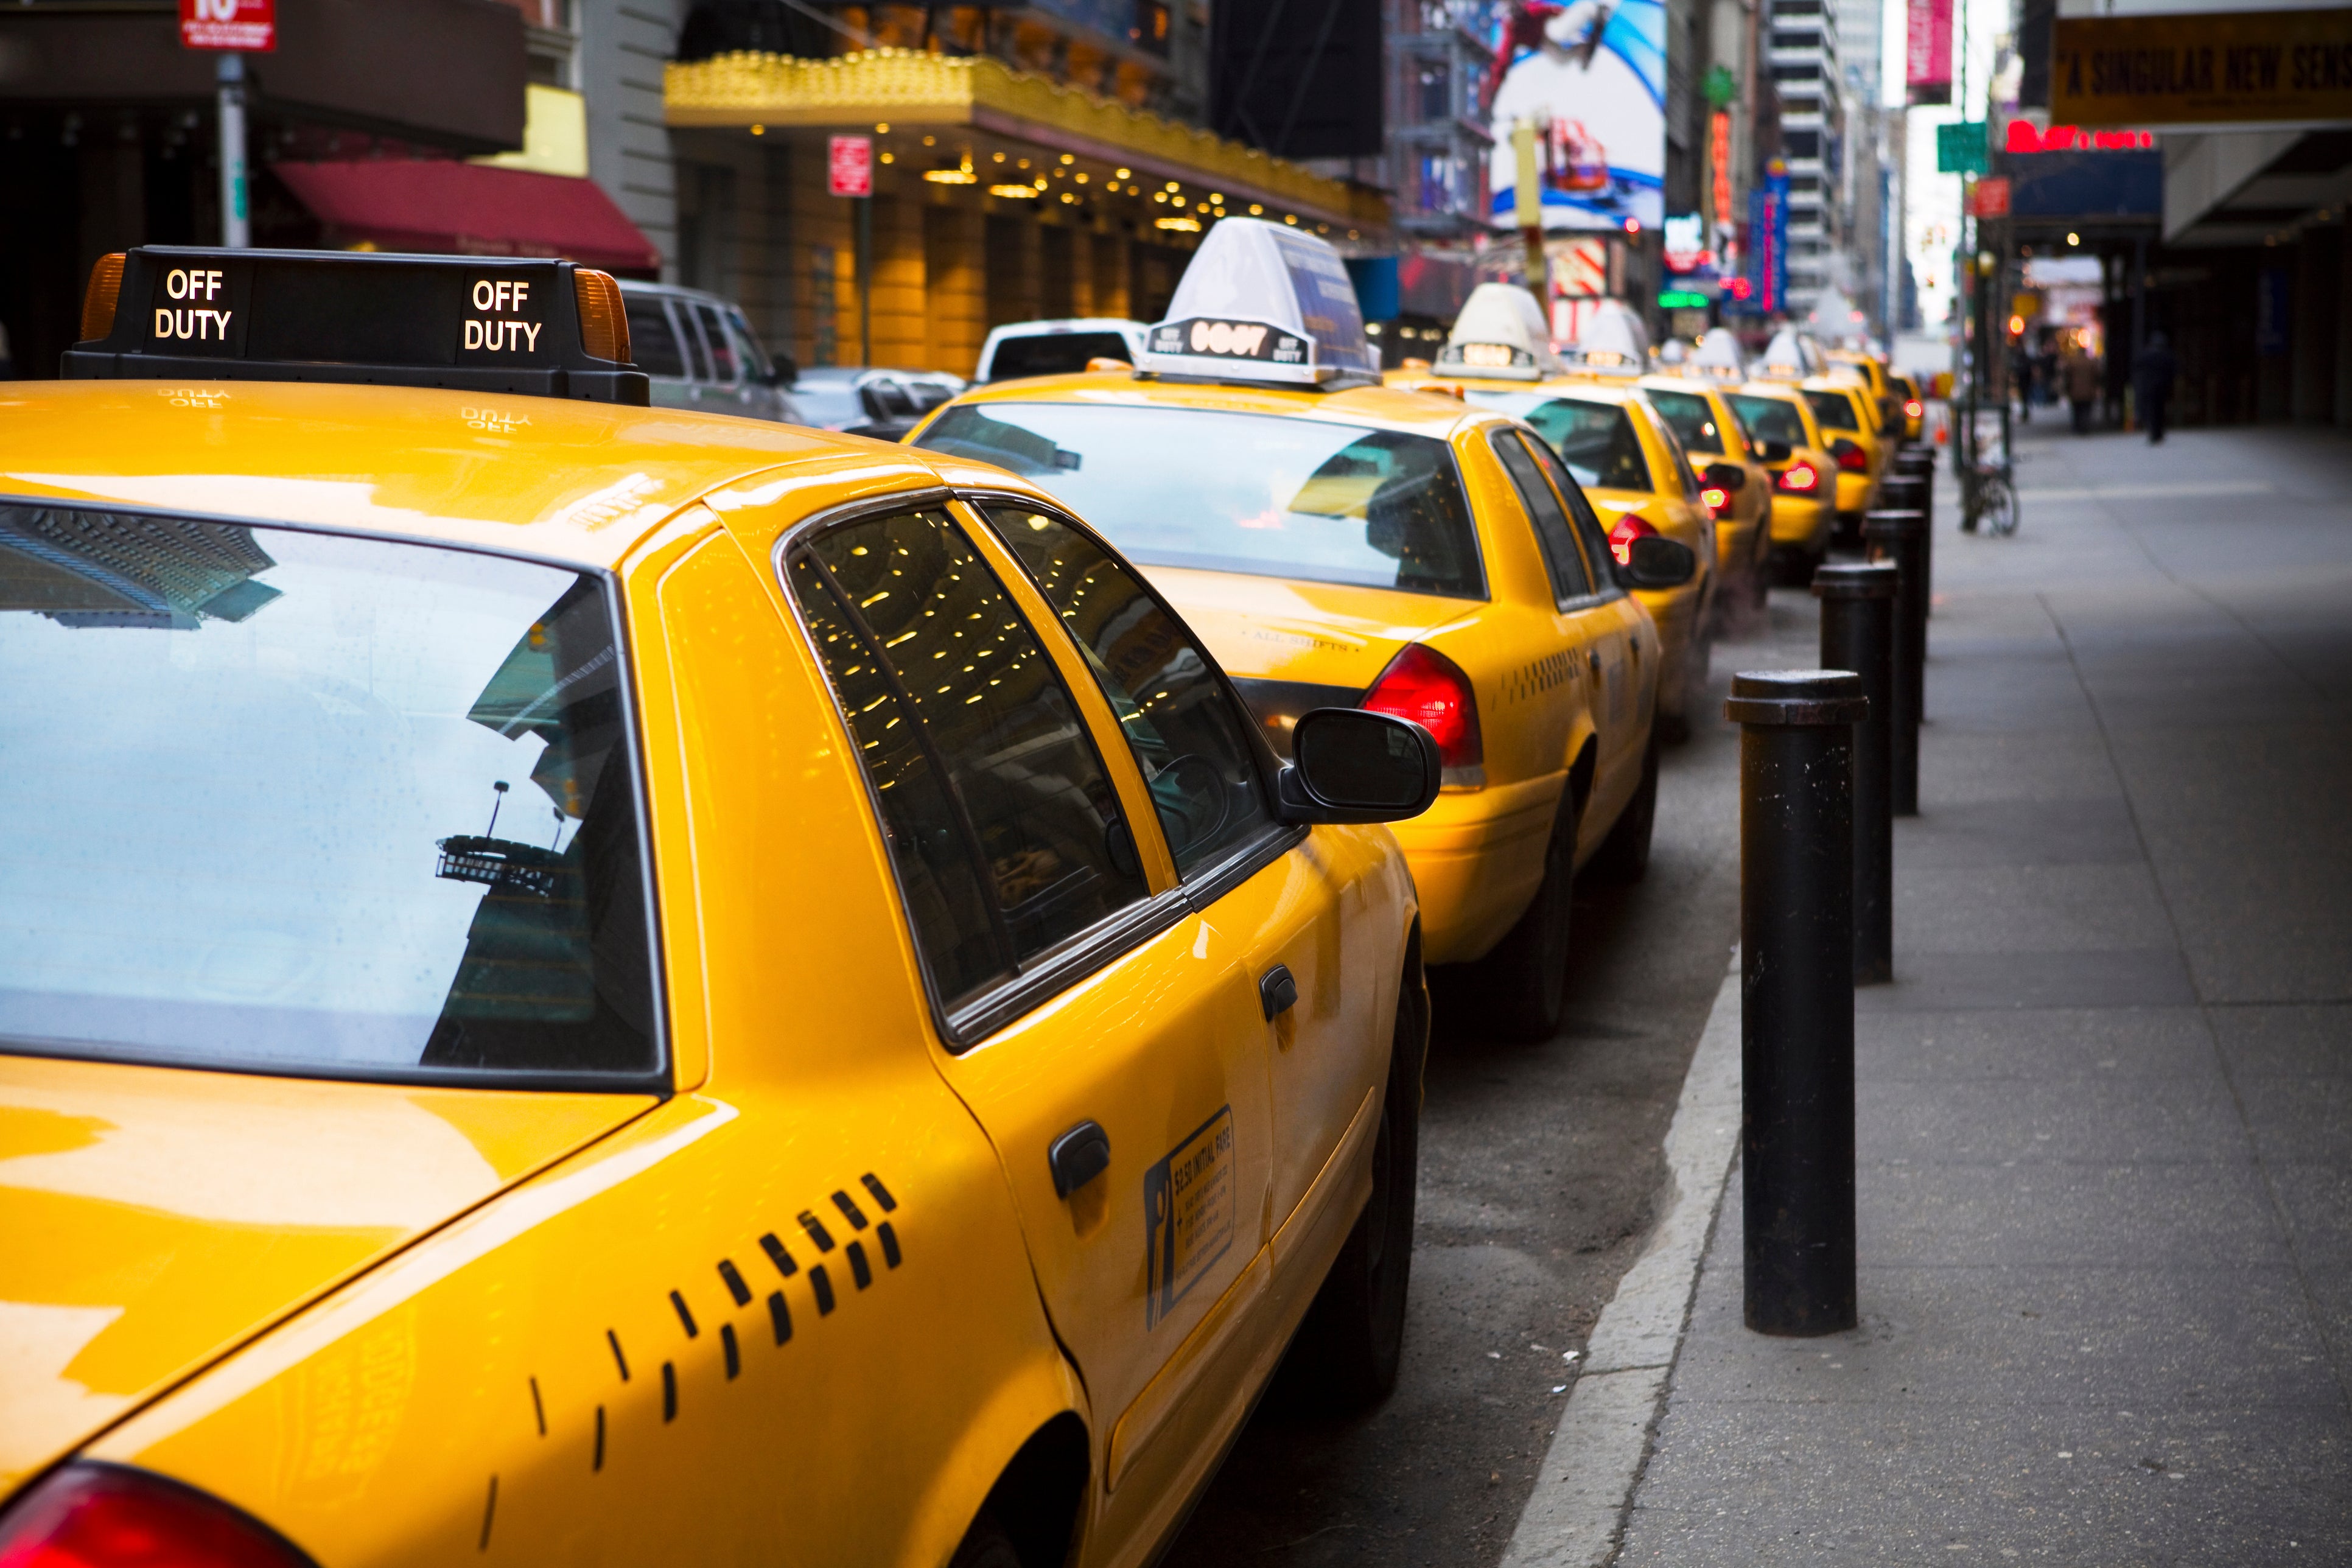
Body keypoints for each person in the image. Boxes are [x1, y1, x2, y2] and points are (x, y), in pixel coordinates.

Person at [2134, 331, 2177, 444]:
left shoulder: (2147, 355)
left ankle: (2153, 433)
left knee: (2151, 410)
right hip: (2162, 387)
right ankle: (2159, 433)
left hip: (2149, 387)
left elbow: (2137, 366)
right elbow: (2174, 370)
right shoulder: (2167, 355)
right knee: (2160, 410)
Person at [2065, 349, 2102, 435]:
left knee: (2077, 410)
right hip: (2088, 391)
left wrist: (2068, 389)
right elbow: (2097, 376)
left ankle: (2078, 427)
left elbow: (2068, 376)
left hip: (2075, 391)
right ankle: (2085, 426)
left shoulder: (2073, 362)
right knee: (2086, 409)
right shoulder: (2091, 362)